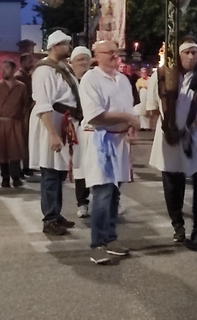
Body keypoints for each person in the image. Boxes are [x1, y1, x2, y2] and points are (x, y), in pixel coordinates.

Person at [146, 36, 197, 247]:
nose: (191, 56)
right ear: (178, 55)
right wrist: (169, 123)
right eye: (187, 52)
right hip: (169, 137)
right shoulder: (161, 75)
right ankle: (178, 227)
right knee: (172, 184)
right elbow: (151, 107)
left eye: (194, 52)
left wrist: (192, 124)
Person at [79, 40, 140, 265]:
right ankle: (97, 244)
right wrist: (127, 119)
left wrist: (132, 125)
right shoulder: (90, 79)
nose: (115, 56)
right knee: (102, 193)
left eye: (117, 52)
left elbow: (130, 109)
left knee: (115, 192)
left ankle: (111, 237)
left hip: (119, 142)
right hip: (100, 141)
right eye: (110, 52)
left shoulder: (123, 80)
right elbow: (95, 115)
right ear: (97, 55)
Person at [29, 30, 81, 236]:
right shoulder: (44, 71)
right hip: (52, 123)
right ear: (54, 46)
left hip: (64, 122)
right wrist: (52, 133)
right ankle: (49, 218)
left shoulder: (62, 68)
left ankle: (56, 214)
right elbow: (43, 104)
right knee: (50, 171)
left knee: (58, 171)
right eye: (65, 44)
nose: (68, 47)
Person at [70, 46, 92, 219]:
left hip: (98, 129)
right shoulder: (69, 83)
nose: (83, 62)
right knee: (81, 167)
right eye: (79, 59)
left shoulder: (96, 79)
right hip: (77, 129)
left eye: (86, 59)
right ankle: (82, 202)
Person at [0, 60, 28, 188]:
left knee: (15, 151)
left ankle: (16, 177)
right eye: (1, 68)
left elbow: (26, 105)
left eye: (6, 68)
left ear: (13, 69)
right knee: (2, 152)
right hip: (1, 123)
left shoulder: (21, 87)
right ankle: (5, 178)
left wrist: (24, 122)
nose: (3, 70)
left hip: (16, 123)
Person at [14, 53, 35, 177]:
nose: (31, 64)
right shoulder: (18, 77)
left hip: (30, 111)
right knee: (20, 141)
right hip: (22, 113)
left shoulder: (30, 76)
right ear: (22, 63)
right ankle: (19, 169)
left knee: (28, 140)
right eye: (29, 62)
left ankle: (27, 166)